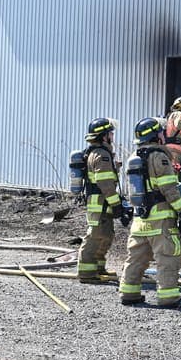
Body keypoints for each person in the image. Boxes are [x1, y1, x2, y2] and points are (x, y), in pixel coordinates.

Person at [118, 117, 181, 308]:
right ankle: (168, 298)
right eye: (161, 132)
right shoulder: (159, 157)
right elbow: (169, 188)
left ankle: (129, 293)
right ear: (156, 135)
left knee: (136, 258)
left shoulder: (133, 157)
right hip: (160, 219)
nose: (163, 134)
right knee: (167, 257)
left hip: (139, 218)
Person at [76, 118, 129, 283]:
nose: (112, 136)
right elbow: (105, 183)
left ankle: (98, 268)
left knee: (106, 235)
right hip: (100, 202)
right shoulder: (101, 154)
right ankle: (86, 272)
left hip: (102, 202)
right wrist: (117, 204)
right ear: (104, 136)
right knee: (95, 236)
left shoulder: (101, 153)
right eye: (110, 133)